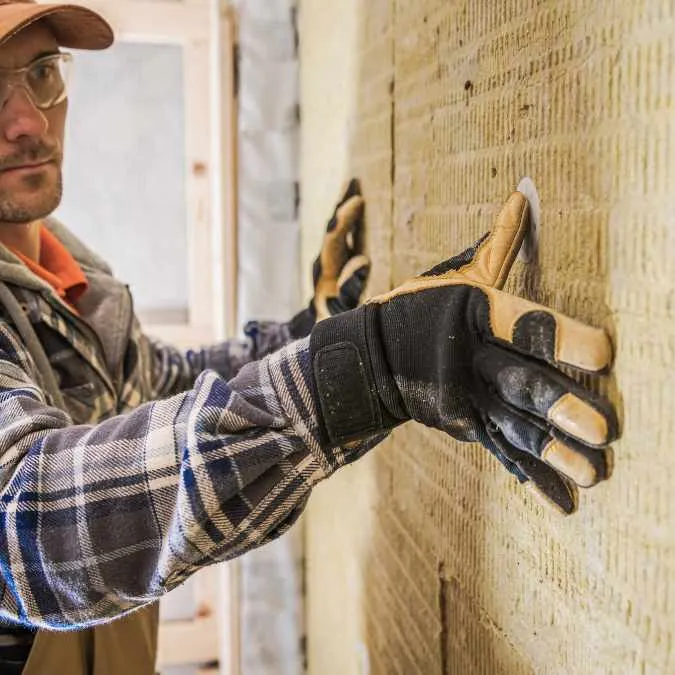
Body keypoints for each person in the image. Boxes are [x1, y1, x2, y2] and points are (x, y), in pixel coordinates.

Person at [0, 1, 618, 673]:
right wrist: (362, 367)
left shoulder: (72, 280)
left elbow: (158, 388)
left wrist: (326, 328)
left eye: (41, 71)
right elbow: (29, 526)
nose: (29, 120)